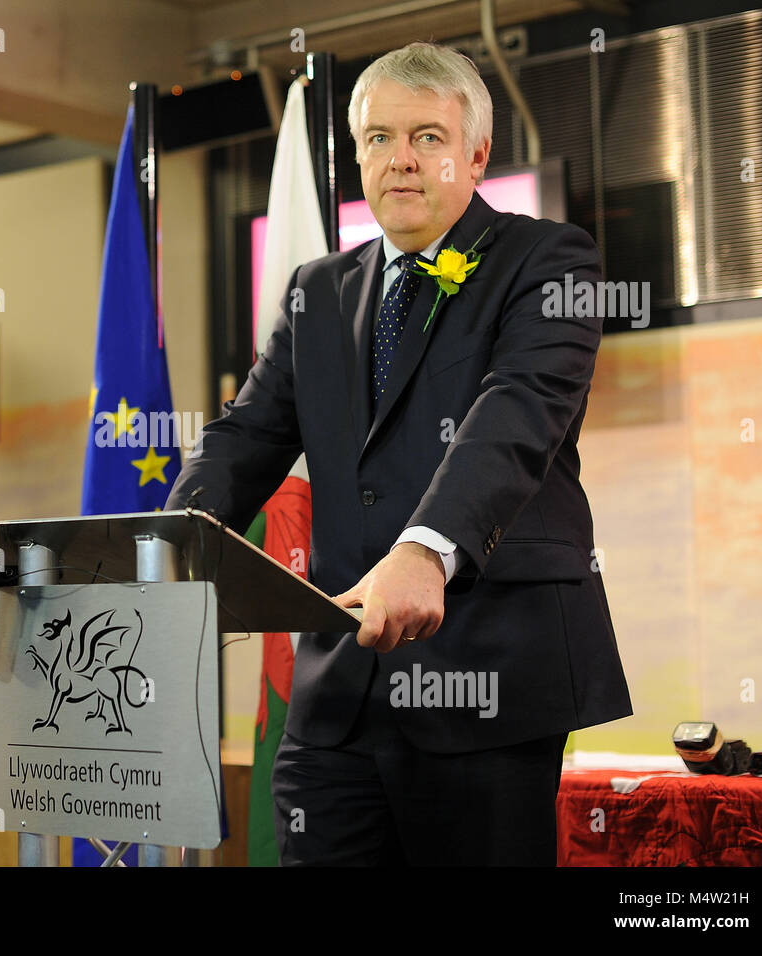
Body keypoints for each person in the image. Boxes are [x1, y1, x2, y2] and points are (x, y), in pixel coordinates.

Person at [165, 42, 631, 865]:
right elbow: (246, 432)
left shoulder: (552, 261)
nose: (400, 161)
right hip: (337, 696)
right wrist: (170, 536)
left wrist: (425, 547)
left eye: (427, 137)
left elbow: (515, 414)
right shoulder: (317, 290)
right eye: (379, 139)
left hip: (488, 682)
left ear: (476, 153)